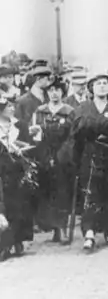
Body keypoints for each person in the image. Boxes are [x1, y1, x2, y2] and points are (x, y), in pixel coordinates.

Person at [72, 72, 108, 252]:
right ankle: (89, 233)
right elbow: (77, 131)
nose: (102, 86)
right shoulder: (83, 107)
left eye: (105, 83)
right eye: (98, 83)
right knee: (90, 194)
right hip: (90, 154)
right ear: (91, 88)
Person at [28, 76, 74, 243]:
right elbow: (34, 135)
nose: (54, 94)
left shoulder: (69, 111)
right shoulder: (40, 111)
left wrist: (61, 156)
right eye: (51, 90)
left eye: (58, 90)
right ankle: (53, 228)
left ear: (63, 92)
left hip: (63, 157)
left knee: (62, 192)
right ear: (47, 93)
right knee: (48, 192)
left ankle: (62, 227)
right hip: (44, 157)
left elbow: (72, 137)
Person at [0, 97, 35, 260]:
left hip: (16, 169)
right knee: (4, 207)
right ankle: (5, 245)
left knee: (19, 204)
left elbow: (28, 142)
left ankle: (18, 240)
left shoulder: (18, 125)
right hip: (2, 170)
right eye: (7, 106)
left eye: (11, 105)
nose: (11, 108)